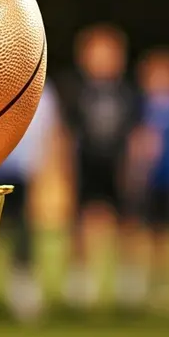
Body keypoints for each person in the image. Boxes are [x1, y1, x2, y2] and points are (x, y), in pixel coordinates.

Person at [54, 23, 144, 309]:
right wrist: (62, 167)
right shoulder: (74, 90)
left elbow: (137, 133)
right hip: (85, 162)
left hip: (118, 164)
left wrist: (135, 167)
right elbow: (64, 133)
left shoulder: (128, 92)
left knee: (127, 220)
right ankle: (80, 281)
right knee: (79, 221)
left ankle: (127, 280)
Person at [130, 47, 169, 315]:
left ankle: (167, 284)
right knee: (142, 231)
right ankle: (141, 283)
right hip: (147, 178)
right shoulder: (139, 105)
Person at [0, 82, 60, 322]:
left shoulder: (42, 89)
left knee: (24, 235)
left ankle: (22, 294)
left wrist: (44, 170)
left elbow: (47, 131)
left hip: (22, 172)